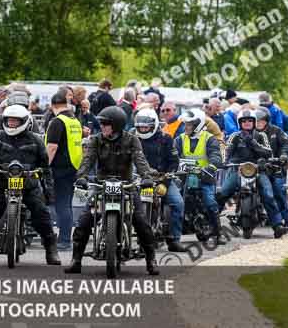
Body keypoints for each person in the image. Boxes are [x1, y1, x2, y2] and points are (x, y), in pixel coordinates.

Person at [65, 106, 159, 275]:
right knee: (84, 221)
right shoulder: (95, 140)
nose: (102, 126)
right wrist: (82, 177)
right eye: (101, 123)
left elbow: (140, 159)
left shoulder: (132, 140)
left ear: (116, 125)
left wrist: (146, 177)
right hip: (102, 186)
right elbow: (87, 160)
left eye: (106, 124)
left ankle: (151, 260)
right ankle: (76, 260)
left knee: (141, 222)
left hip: (126, 186)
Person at [0, 105, 61, 266]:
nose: (11, 123)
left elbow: (45, 166)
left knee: (41, 213)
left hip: (29, 185)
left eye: (15, 121)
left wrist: (49, 191)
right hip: (3, 183)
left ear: (24, 121)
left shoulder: (36, 140)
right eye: (9, 121)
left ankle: (51, 249)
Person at [216, 108, 288, 239]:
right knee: (223, 192)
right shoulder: (235, 136)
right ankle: (213, 225)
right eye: (244, 121)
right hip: (237, 169)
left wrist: (253, 143)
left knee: (268, 194)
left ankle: (277, 225)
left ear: (254, 122)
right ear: (240, 123)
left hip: (258, 170)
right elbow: (227, 150)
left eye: (250, 120)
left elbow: (269, 152)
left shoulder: (261, 136)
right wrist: (224, 161)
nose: (247, 123)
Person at [134, 109, 187, 252]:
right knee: (124, 203)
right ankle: (119, 238)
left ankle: (174, 240)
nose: (143, 129)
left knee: (177, 203)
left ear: (154, 125)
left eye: (146, 127)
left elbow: (174, 162)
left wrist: (165, 181)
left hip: (161, 178)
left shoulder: (166, 138)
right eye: (141, 127)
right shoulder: (133, 138)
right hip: (138, 179)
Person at [174, 108, 226, 245]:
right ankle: (170, 234)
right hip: (184, 178)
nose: (186, 127)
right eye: (185, 124)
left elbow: (216, 156)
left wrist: (210, 167)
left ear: (198, 124)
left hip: (204, 178)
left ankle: (218, 233)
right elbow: (173, 156)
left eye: (189, 124)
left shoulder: (209, 139)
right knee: (173, 201)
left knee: (210, 202)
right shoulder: (180, 139)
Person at [44, 91, 83, 251]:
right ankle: (65, 238)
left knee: (61, 205)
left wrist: (44, 166)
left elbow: (52, 147)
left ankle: (64, 240)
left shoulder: (57, 121)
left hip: (59, 167)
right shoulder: (74, 120)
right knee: (66, 203)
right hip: (73, 166)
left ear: (53, 106)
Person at [255, 107, 288, 228]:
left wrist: (283, 155)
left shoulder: (276, 131)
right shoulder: (251, 133)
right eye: (256, 121)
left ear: (267, 121)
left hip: (274, 166)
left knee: (278, 190)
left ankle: (286, 218)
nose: (258, 123)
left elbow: (285, 144)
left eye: (261, 121)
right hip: (255, 168)